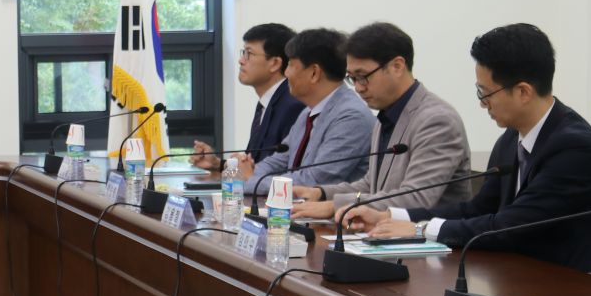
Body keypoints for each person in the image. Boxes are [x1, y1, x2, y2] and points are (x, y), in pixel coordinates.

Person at [344, 24, 591, 272]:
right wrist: (389, 216)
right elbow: (478, 209)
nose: (482, 104)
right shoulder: (511, 138)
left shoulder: (574, 149)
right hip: (518, 273)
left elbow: (510, 225)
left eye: (485, 94)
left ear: (523, 92)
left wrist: (419, 229)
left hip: (570, 286)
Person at [292, 22, 473, 221]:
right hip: (386, 233)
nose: (358, 88)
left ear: (397, 66)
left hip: (428, 236)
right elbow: (371, 185)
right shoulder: (387, 114)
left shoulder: (437, 120)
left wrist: (334, 206)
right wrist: (321, 193)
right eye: (352, 78)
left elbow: (416, 198)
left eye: (363, 76)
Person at [247, 28, 376, 193]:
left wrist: (249, 182)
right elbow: (279, 161)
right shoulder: (308, 112)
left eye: (291, 65)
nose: (286, 73)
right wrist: (245, 175)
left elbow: (313, 181)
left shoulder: (351, 118)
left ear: (314, 73)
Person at [192, 22, 301, 172]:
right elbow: (255, 164)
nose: (241, 60)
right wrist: (219, 164)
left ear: (275, 63)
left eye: (249, 54)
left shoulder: (292, 106)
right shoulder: (267, 103)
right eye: (243, 52)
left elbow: (282, 171)